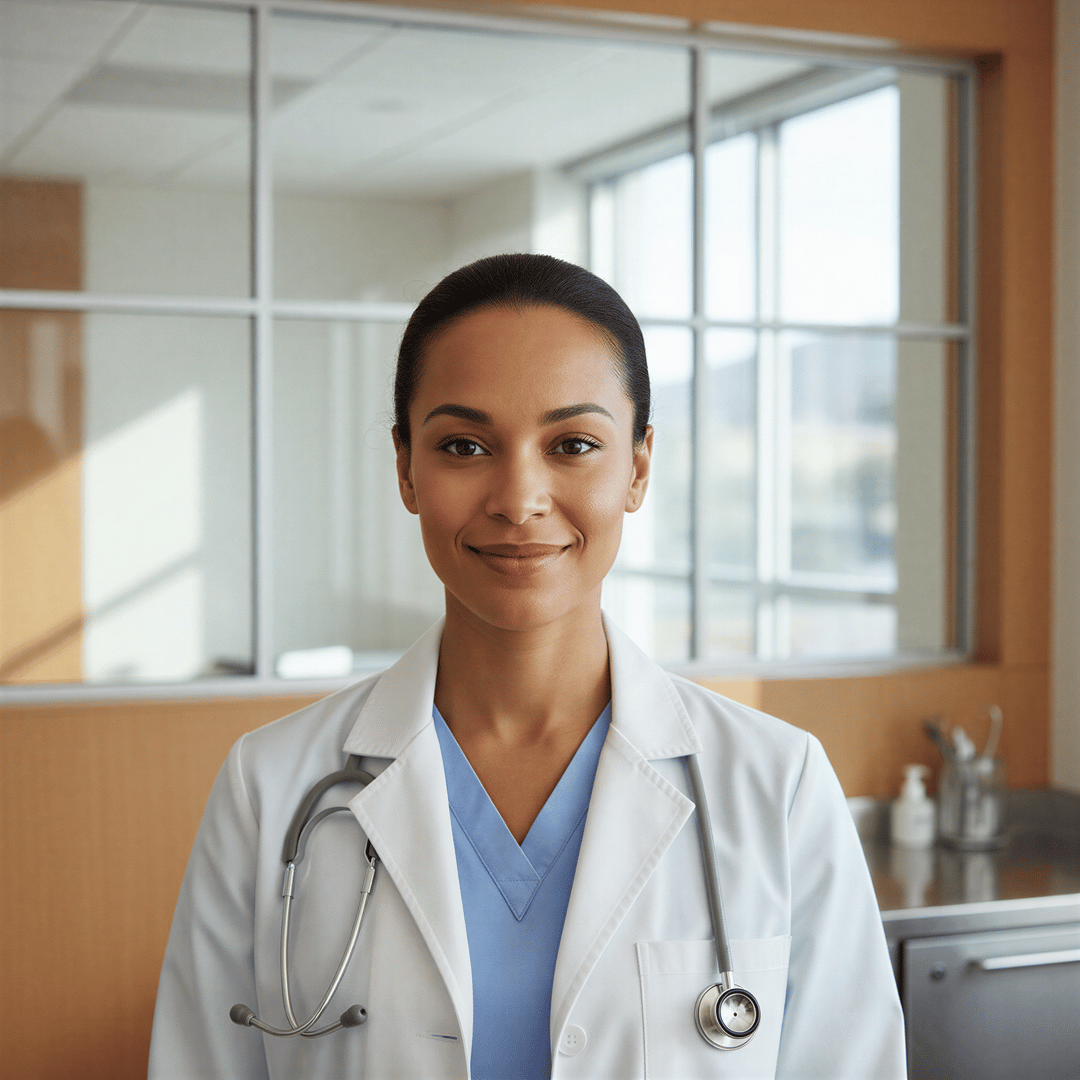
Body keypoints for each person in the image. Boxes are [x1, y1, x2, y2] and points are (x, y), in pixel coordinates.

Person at [149, 254, 906, 1080]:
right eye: (464, 445)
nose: (519, 497)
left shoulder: (777, 784)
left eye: (573, 444)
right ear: (405, 466)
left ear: (639, 467)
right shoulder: (271, 789)